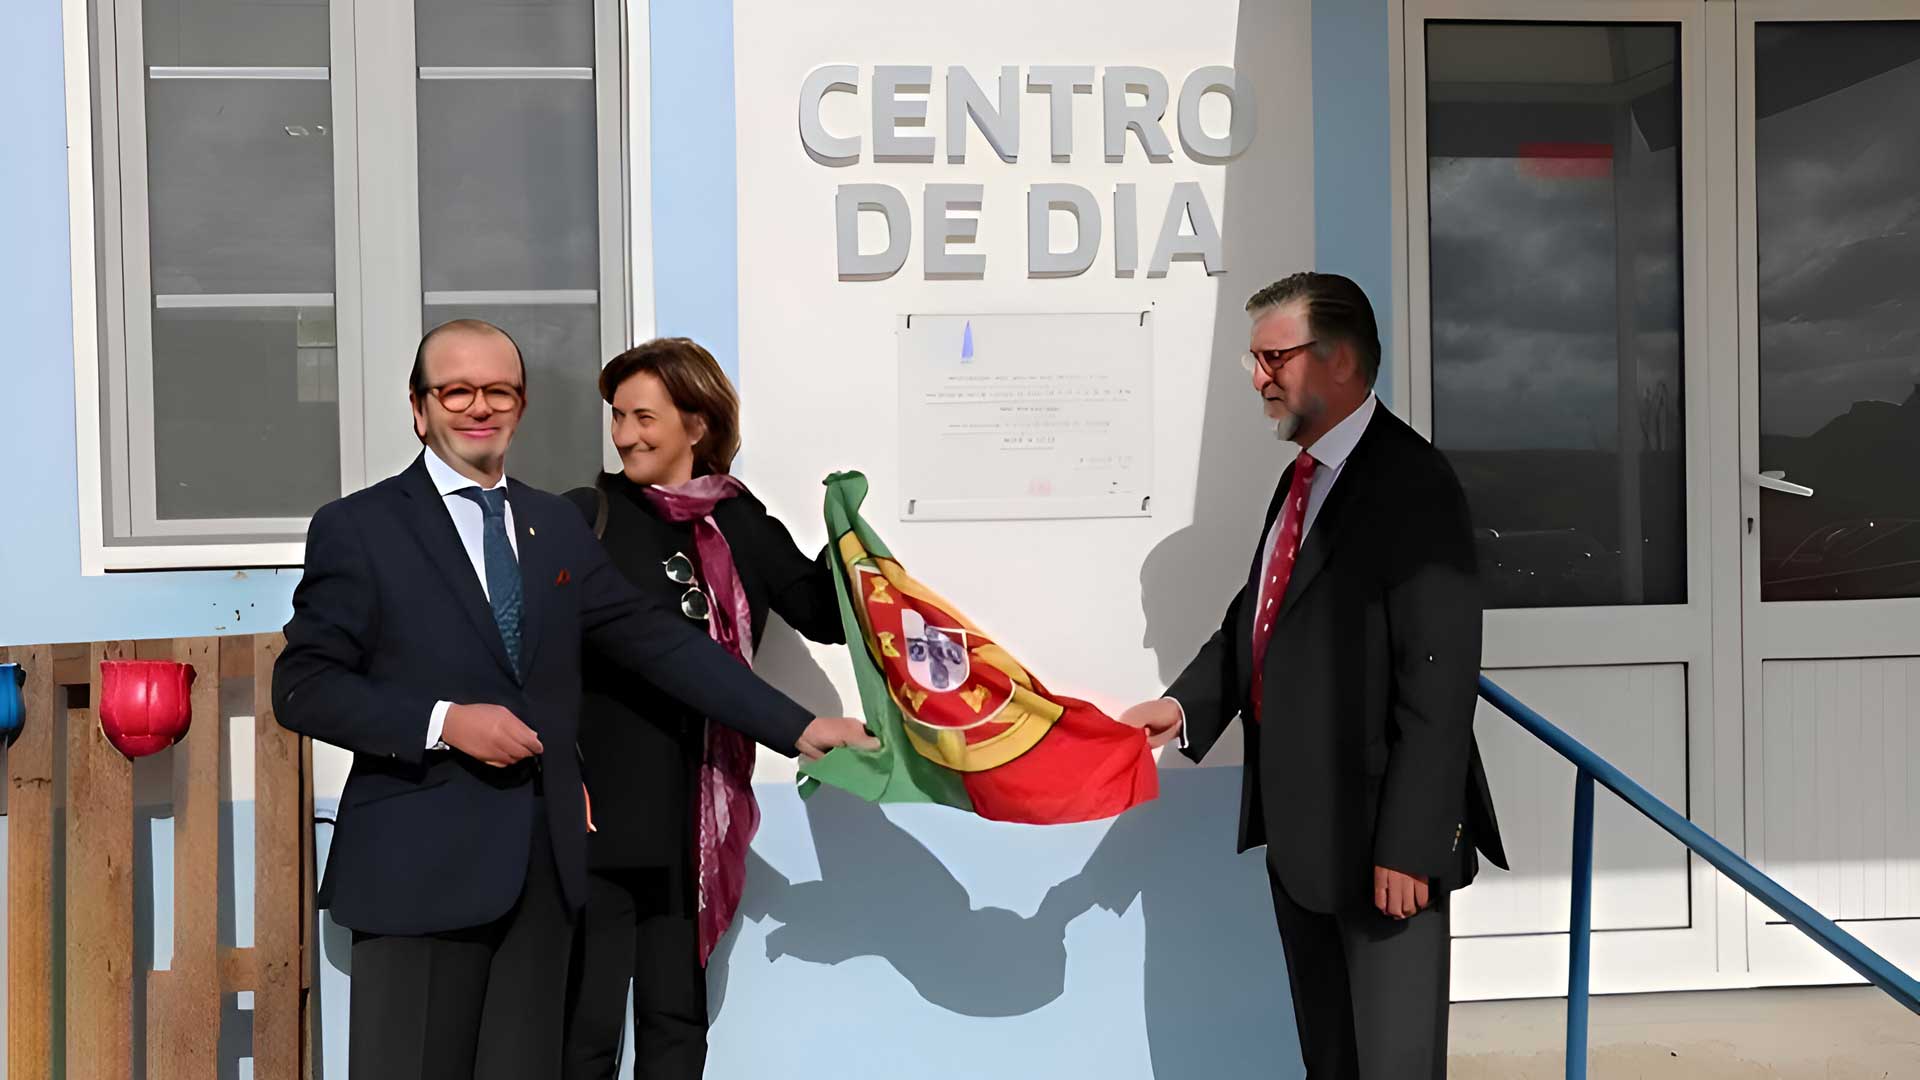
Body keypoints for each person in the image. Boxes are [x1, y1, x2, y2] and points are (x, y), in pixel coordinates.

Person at [272, 319, 875, 1080]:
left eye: (498, 390)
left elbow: (656, 643)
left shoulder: (553, 524)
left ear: (520, 406)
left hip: (543, 882)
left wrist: (801, 726)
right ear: (420, 409)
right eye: (456, 389)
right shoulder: (358, 527)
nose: (478, 406)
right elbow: (304, 687)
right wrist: (445, 723)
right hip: (415, 877)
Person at [1118, 274, 1506, 1079]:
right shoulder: (1302, 482)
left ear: (1339, 361)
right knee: (1330, 1060)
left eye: (1274, 357)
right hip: (1304, 835)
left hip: (1380, 846)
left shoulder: (1412, 482)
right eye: (1253, 360)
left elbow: (1438, 676)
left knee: (1390, 1064)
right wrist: (1184, 706)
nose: (1259, 377)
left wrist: (1409, 843)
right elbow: (1258, 616)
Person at [558, 338, 845, 1078]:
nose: (624, 435)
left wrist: (855, 545)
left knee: (679, 1025)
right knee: (581, 1030)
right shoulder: (584, 518)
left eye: (643, 417)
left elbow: (826, 614)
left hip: (694, 816)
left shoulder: (740, 523)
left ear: (697, 423)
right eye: (617, 416)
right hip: (598, 813)